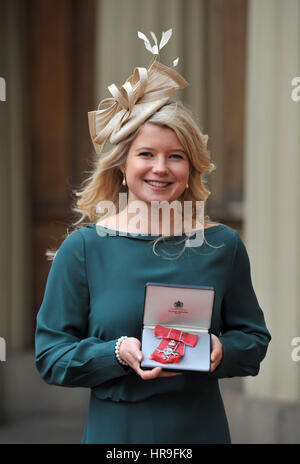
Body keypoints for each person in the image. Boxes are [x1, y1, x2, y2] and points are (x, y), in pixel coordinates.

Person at [35, 36, 271, 444]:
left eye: (176, 156)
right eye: (146, 154)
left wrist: (221, 349)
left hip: (200, 431)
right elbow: (50, 356)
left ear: (190, 167)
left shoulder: (222, 245)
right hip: (118, 436)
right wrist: (115, 352)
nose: (160, 168)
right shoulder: (85, 249)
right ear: (122, 165)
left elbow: (253, 341)